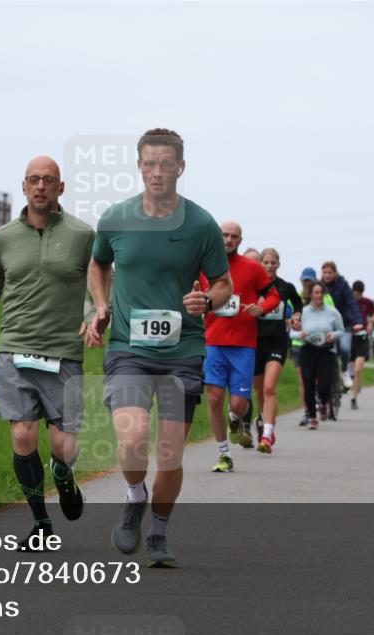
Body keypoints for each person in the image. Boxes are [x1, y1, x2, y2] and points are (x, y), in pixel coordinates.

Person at [86, 128, 232, 568]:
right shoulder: (115, 218)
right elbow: (98, 262)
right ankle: (134, 496)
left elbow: (224, 285)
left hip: (183, 350)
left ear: (180, 168)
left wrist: (206, 301)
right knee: (131, 440)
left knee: (169, 454)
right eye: (149, 163)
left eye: (166, 163)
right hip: (128, 347)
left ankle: (159, 534)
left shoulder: (201, 223)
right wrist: (101, 305)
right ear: (138, 165)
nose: (157, 171)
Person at [0, 156, 94, 551]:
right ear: (24, 185)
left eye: (49, 180)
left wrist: (99, 310)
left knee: (64, 445)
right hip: (14, 349)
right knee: (22, 433)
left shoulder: (83, 235)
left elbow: (102, 281)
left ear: (60, 188)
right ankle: (42, 523)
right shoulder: (4, 237)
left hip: (64, 352)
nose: (41, 187)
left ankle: (63, 475)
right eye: (34, 180)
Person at [202, 224, 279, 471]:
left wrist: (262, 308)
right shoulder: (205, 265)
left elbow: (273, 296)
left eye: (234, 236)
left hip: (244, 345)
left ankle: (235, 418)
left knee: (238, 404)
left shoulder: (253, 268)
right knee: (214, 398)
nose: (229, 239)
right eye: (225, 235)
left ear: (240, 240)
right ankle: (224, 454)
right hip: (213, 342)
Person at [243, 247, 304, 453]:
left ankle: (267, 435)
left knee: (270, 387)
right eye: (265, 262)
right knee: (259, 390)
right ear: (259, 264)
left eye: (273, 262)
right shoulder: (253, 286)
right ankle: (263, 419)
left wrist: (296, 316)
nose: (269, 266)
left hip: (277, 342)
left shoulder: (285, 287)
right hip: (254, 342)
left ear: (278, 264)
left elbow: (298, 302)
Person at [289, 281, 344, 431]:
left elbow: (341, 330)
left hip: (326, 350)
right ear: (311, 295)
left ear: (324, 294)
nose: (319, 295)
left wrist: (334, 335)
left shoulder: (332, 312)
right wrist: (299, 334)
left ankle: (324, 402)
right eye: (316, 292)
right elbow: (291, 332)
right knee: (308, 382)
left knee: (324, 385)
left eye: (321, 292)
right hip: (308, 349)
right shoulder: (303, 312)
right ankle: (313, 417)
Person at [293, 267, 334, 426]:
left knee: (320, 380)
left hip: (322, 344)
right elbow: (291, 318)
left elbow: (331, 315)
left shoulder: (326, 297)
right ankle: (308, 412)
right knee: (304, 380)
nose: (307, 283)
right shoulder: (296, 296)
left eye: (310, 280)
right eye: (305, 280)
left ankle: (321, 401)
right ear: (301, 280)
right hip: (300, 344)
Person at [320, 261, 365, 389]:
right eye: (325, 273)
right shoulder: (319, 286)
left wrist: (358, 321)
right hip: (325, 325)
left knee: (345, 348)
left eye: (330, 272)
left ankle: (345, 371)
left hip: (344, 324)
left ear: (335, 273)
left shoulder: (343, 285)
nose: (327, 275)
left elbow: (352, 303)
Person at [350, 280, 374, 410]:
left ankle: (353, 398)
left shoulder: (367, 302)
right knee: (350, 371)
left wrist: (371, 321)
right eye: (355, 294)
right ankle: (353, 384)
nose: (357, 296)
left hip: (363, 338)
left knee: (358, 369)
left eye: (359, 294)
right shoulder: (348, 301)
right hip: (349, 338)